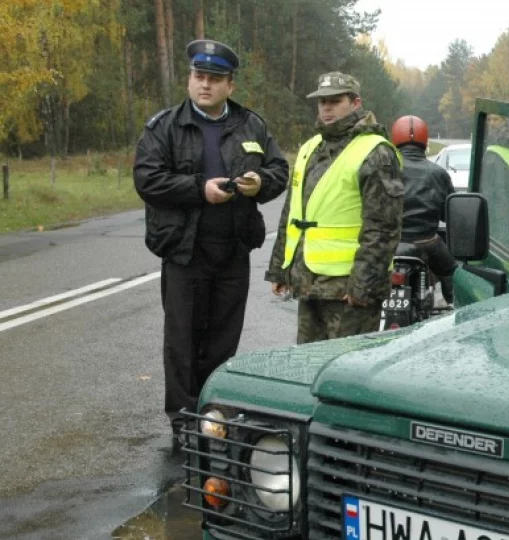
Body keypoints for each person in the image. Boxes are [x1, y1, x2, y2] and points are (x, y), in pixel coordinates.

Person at [133, 39, 289, 446]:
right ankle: (185, 424)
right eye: (199, 77)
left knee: (223, 338)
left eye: (214, 79)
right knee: (182, 340)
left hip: (233, 250)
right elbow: (147, 180)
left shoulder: (251, 126)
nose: (205, 85)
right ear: (190, 79)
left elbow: (278, 171)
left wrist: (260, 185)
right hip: (185, 251)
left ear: (229, 86)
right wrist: (199, 189)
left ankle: (215, 416)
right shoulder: (164, 127)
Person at [266, 72, 404, 343]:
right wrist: (280, 269)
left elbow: (383, 227)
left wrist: (363, 285)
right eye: (321, 102)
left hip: (348, 290)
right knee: (308, 368)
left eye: (335, 100)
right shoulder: (310, 148)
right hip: (310, 281)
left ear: (355, 103)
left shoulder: (375, 152)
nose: (326, 108)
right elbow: (292, 213)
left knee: (346, 373)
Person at [390, 115, 457, 304]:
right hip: (427, 242)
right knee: (452, 272)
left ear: (395, 139)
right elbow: (448, 214)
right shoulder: (438, 173)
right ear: (425, 141)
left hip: (390, 243)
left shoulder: (385, 168)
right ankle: (456, 310)